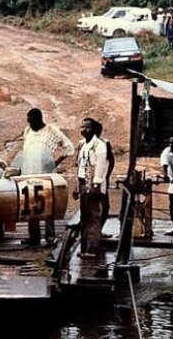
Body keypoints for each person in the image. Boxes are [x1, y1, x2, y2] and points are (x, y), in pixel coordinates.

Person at [21, 108, 74, 245]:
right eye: (28, 121)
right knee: (31, 205)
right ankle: (34, 237)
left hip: (46, 174)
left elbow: (69, 147)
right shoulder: (27, 131)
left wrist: (55, 162)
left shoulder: (51, 130)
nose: (30, 124)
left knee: (47, 205)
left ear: (39, 119)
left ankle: (50, 236)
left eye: (31, 121)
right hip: (29, 173)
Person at [73, 118, 108, 259]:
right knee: (84, 217)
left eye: (87, 127)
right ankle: (85, 247)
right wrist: (77, 187)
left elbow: (100, 166)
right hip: (83, 182)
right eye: (82, 127)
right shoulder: (83, 145)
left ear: (93, 129)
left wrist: (95, 185)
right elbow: (80, 166)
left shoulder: (99, 145)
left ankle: (92, 249)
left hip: (93, 184)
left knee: (93, 217)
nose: (83, 129)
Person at [93, 121, 114, 234]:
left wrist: (107, 175)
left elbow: (111, 160)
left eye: (98, 131)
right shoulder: (84, 143)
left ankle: (98, 230)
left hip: (101, 179)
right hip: (89, 179)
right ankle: (93, 231)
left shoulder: (105, 143)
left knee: (105, 206)